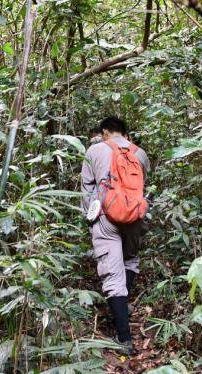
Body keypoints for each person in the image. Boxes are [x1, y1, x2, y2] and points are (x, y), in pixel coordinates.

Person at [81, 116, 150, 354]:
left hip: (106, 217)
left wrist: (92, 217)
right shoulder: (139, 153)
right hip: (135, 216)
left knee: (112, 274)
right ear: (124, 132)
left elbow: (87, 188)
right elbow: (142, 187)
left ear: (105, 132)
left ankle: (124, 338)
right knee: (129, 259)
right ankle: (124, 306)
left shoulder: (95, 150)